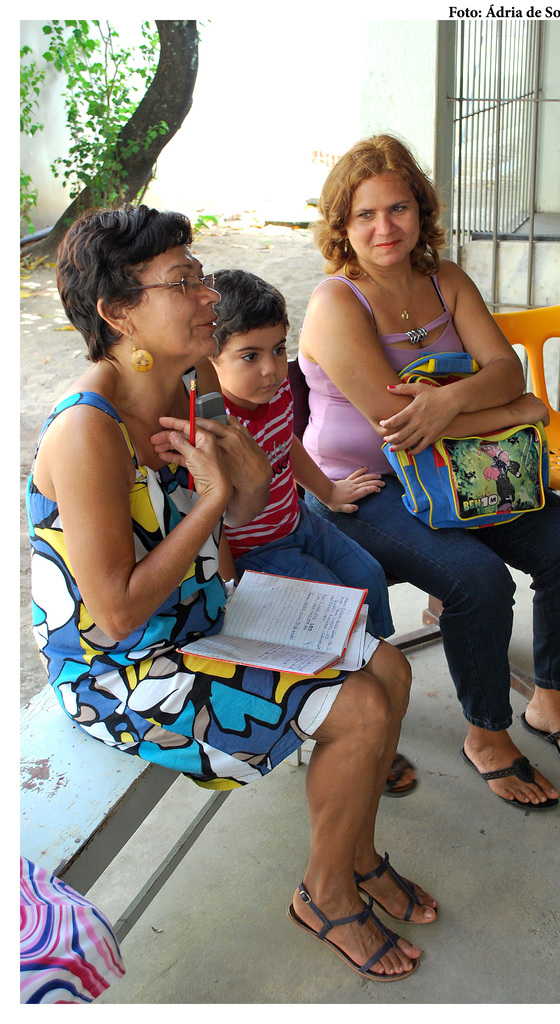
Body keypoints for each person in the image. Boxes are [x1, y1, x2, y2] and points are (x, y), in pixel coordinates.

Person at [26, 204, 436, 982]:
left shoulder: (183, 392)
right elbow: (112, 615)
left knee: (391, 669)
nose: (208, 296)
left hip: (197, 616)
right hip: (123, 672)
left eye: (201, 275)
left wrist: (240, 490)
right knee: (358, 707)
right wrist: (219, 500)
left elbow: (226, 525)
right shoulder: (86, 431)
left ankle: (354, 856)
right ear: (118, 313)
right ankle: (325, 892)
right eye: (182, 281)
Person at [298, 134, 560, 812]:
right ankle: (486, 732)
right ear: (342, 228)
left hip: (464, 470)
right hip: (366, 488)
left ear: (422, 211)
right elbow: (396, 428)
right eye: (365, 215)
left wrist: (449, 402)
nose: (385, 228)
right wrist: (515, 413)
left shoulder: (447, 280)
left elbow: (505, 369)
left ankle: (548, 702)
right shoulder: (335, 303)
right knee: (475, 579)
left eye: (399, 208)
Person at [209, 268, 417, 797]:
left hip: (297, 519)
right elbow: (213, 519)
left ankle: (376, 676)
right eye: (249, 356)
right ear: (210, 360)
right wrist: (231, 594)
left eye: (279, 350)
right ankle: (349, 715)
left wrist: (327, 491)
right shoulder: (214, 427)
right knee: (336, 609)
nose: (272, 369)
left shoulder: (275, 396)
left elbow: (290, 446)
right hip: (258, 553)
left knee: (367, 575)